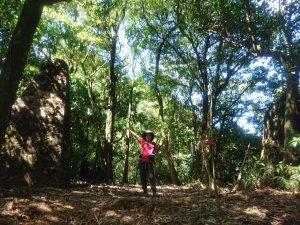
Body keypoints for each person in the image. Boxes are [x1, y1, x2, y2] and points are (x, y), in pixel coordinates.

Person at [127, 128, 158, 197]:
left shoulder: (154, 144)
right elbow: (135, 135)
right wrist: (129, 130)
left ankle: (154, 192)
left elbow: (156, 152)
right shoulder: (142, 141)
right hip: (142, 162)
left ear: (151, 136)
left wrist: (153, 155)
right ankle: (145, 191)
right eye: (147, 135)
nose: (148, 136)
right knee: (143, 176)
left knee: (151, 177)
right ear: (145, 136)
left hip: (150, 162)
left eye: (149, 135)